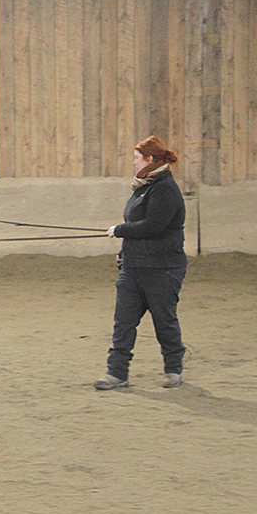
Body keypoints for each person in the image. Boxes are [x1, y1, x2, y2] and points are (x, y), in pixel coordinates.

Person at [94, 136, 187, 390]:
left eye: (137, 158)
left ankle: (173, 369)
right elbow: (139, 226)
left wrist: (120, 229)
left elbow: (153, 226)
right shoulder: (144, 187)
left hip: (162, 269)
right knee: (123, 323)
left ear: (149, 160)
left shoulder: (165, 189)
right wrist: (124, 255)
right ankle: (117, 373)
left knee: (164, 321)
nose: (134, 163)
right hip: (134, 268)